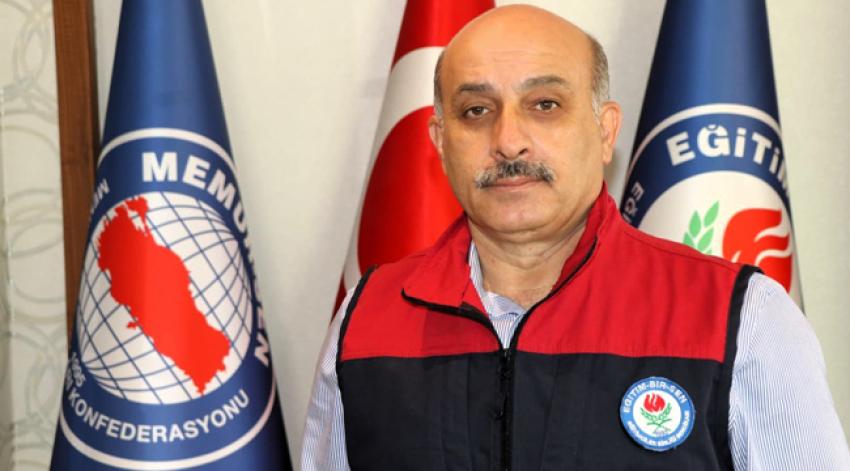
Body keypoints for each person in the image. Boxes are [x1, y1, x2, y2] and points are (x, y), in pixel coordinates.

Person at [301, 5, 850, 470]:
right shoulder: (364, 320)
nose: (509, 141)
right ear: (441, 141)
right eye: (476, 111)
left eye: (545, 105)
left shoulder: (742, 317)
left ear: (605, 130)